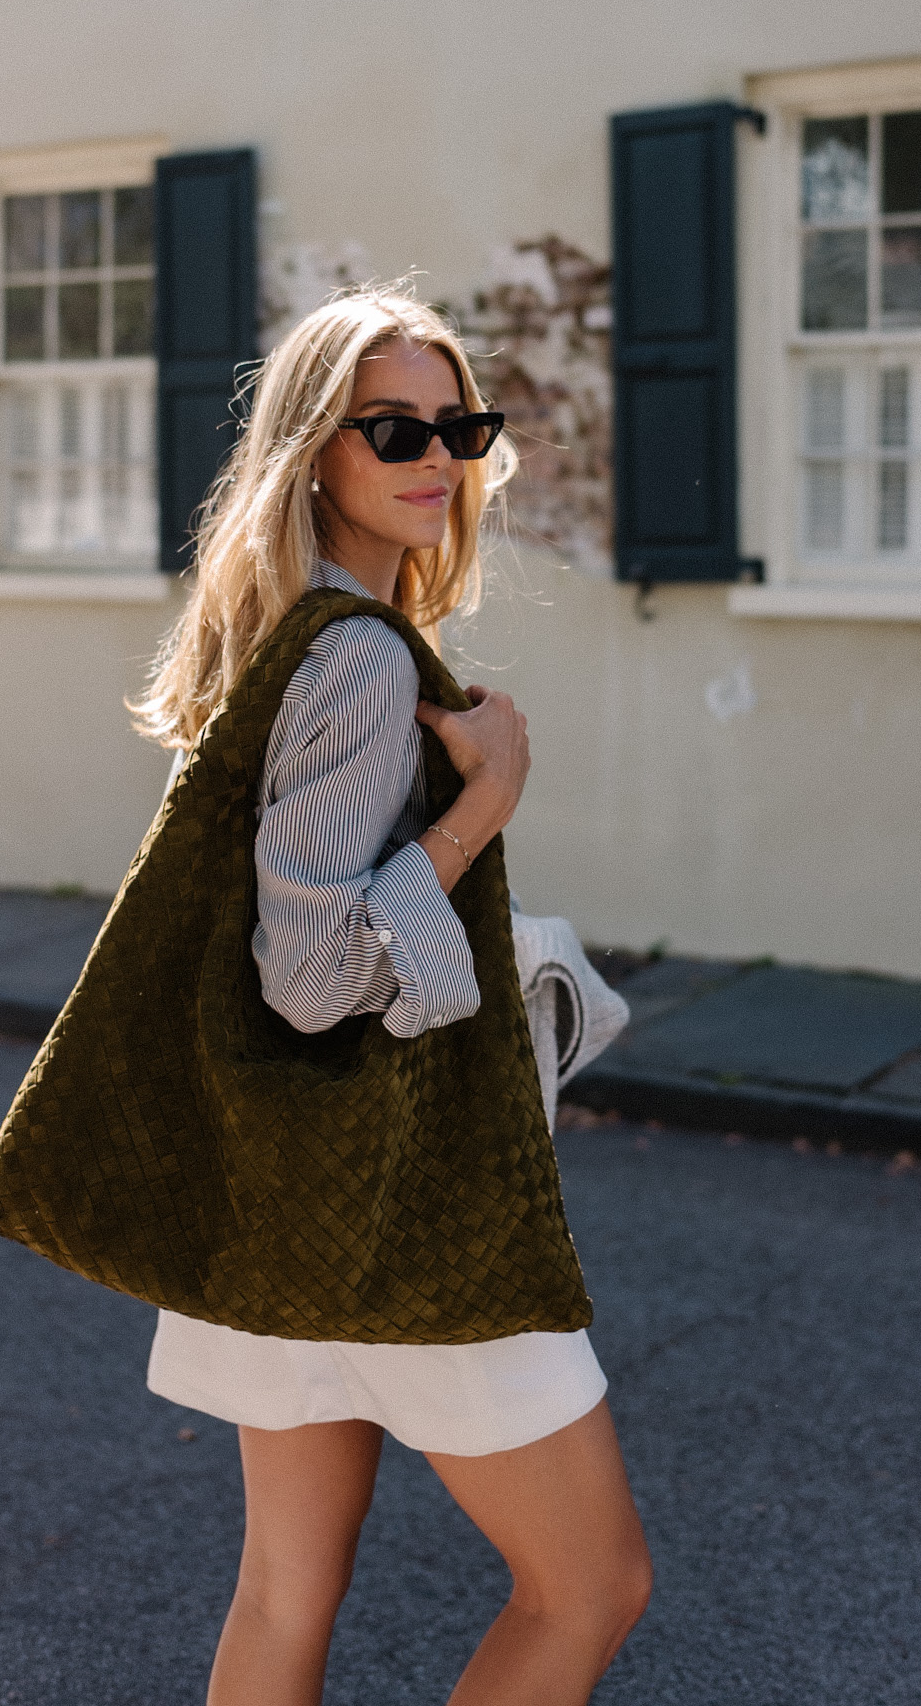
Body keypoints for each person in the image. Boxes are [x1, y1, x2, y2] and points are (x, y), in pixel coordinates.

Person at [131, 286, 652, 1706]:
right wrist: (483, 799)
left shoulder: (286, 632)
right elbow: (305, 975)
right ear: (315, 451)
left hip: (279, 1202)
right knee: (591, 1586)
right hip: (404, 1219)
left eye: (460, 425)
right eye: (395, 429)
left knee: (285, 1590)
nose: (439, 456)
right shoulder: (361, 659)